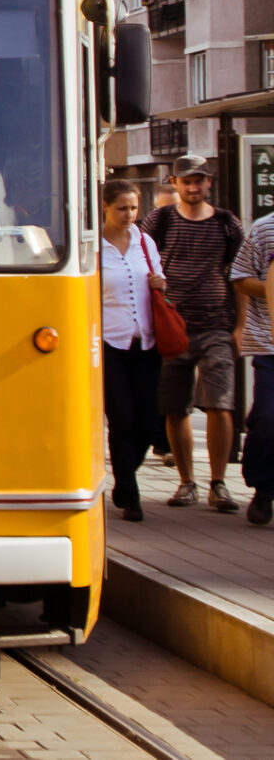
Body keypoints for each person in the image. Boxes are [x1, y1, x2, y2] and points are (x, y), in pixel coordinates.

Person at [139, 156, 246, 511]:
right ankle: (187, 483)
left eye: (199, 180)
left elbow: (240, 275)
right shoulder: (161, 219)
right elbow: (140, 260)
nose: (194, 186)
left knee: (220, 404)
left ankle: (219, 483)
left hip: (216, 322)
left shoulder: (227, 223)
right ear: (175, 182)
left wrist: (240, 326)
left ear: (209, 182)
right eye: (187, 181)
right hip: (172, 325)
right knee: (175, 407)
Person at [100, 179, 163, 522]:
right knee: (122, 419)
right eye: (122, 208)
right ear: (106, 206)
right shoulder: (94, 246)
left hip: (147, 342)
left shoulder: (145, 242)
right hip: (111, 342)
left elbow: (158, 278)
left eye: (134, 208)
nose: (129, 215)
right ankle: (131, 492)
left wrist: (161, 283)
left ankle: (125, 481)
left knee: (149, 423)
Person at [228, 208, 274, 526]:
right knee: (269, 418)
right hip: (270, 344)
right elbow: (240, 278)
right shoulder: (264, 229)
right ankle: (263, 488)